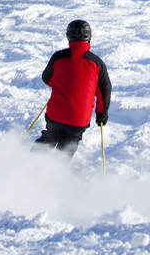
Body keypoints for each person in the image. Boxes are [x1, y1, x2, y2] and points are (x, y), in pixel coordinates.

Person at [36, 19, 111, 154]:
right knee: (67, 146)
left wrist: (63, 84)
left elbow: (47, 79)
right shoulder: (97, 63)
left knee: (49, 138)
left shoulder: (59, 57)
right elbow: (104, 91)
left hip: (56, 113)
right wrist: (101, 114)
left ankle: (29, 165)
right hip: (79, 118)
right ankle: (57, 171)